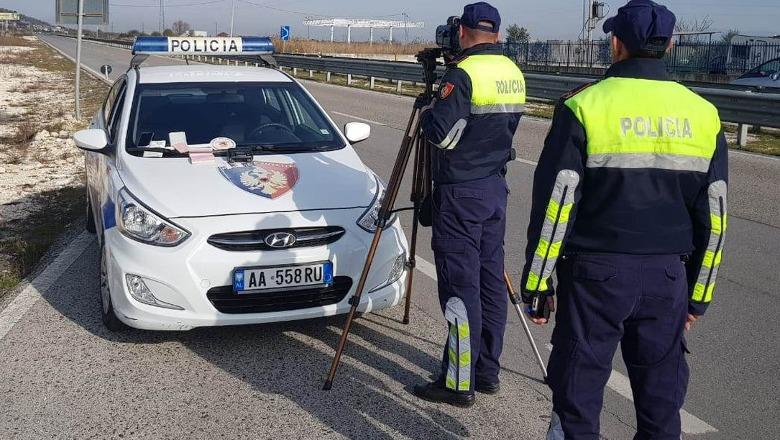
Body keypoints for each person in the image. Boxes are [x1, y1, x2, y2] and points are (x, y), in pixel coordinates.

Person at [519, 1, 728, 438]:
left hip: (595, 278)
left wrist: (538, 283)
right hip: (668, 279)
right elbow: (715, 216)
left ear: (616, 44)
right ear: (668, 45)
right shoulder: (703, 114)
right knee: (661, 409)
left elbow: (557, 206)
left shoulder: (584, 106)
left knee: (577, 404)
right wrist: (697, 297)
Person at [413, 2, 526, 407]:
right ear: (496, 33)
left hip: (461, 192)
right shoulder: (512, 72)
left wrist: (428, 112)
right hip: (494, 188)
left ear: (462, 32)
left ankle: (459, 382)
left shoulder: (463, 75)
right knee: (489, 280)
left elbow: (441, 135)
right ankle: (486, 370)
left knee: (461, 289)